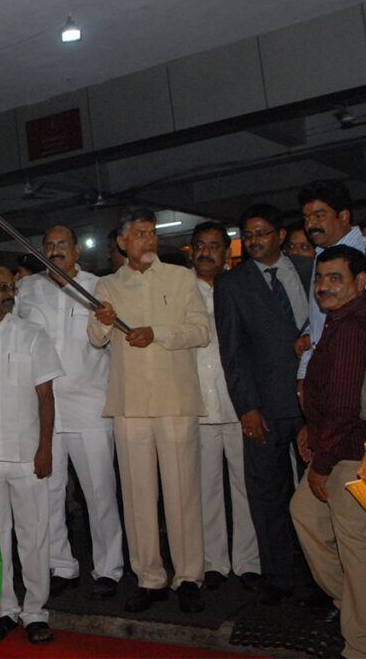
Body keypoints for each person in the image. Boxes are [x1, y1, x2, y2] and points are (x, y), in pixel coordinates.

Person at [89, 207, 210, 614]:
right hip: (130, 404)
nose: (148, 240)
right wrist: (104, 321)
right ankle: (150, 577)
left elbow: (200, 331)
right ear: (122, 242)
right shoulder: (107, 285)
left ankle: (189, 576)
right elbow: (95, 338)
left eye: (152, 233)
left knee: (182, 492)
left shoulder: (180, 278)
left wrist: (157, 334)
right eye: (139, 234)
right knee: (138, 495)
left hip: (176, 400)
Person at [14, 226, 123, 601]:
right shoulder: (28, 289)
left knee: (99, 491)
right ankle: (61, 564)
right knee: (48, 489)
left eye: (62, 244)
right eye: (48, 245)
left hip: (90, 403)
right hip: (44, 406)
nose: (55, 250)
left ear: (77, 250)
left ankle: (109, 568)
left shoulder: (100, 287)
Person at [214, 204, 312, 606]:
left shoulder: (309, 271)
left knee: (318, 495)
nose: (254, 241)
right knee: (268, 495)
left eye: (262, 234)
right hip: (264, 408)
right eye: (247, 235)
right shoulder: (232, 284)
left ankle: (320, 577)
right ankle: (279, 578)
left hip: (312, 404)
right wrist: (247, 408)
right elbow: (232, 352)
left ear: (281, 236)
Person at [290, 246, 366, 659]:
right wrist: (310, 426)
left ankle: (362, 644)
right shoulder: (337, 322)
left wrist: (322, 466)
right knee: (306, 515)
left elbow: (345, 406)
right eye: (320, 278)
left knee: (356, 547)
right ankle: (358, 610)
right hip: (333, 447)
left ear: (360, 281)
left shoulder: (355, 328)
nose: (324, 285)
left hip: (352, 456)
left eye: (335, 278)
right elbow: (328, 395)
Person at [0, 265, 63, 646]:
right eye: (0, 287)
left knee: (34, 535)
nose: (8, 292)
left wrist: (44, 447)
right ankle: (5, 609)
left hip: (28, 455)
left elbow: (46, 397)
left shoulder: (32, 334)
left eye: (11, 286)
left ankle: (35, 612)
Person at [190, 222, 261, 592]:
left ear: (228, 251)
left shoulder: (243, 288)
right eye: (200, 245)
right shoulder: (181, 290)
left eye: (214, 246)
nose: (206, 252)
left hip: (239, 405)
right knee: (206, 489)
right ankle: (213, 562)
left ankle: (248, 561)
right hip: (198, 404)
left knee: (245, 486)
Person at [297, 180, 366, 380]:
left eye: (319, 216)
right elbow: (323, 318)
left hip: (358, 375)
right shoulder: (321, 255)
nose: (311, 225)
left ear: (343, 216)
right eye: (307, 218)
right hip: (326, 373)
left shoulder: (365, 255)